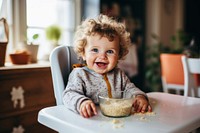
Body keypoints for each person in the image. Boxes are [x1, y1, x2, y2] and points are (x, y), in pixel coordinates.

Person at [63, 14, 152, 118]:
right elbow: (69, 94)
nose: (102, 56)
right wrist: (82, 103)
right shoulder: (80, 74)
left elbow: (130, 89)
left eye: (110, 51)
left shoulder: (118, 75)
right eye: (95, 50)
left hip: (116, 121)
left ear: (119, 55)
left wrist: (139, 97)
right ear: (83, 53)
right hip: (91, 120)